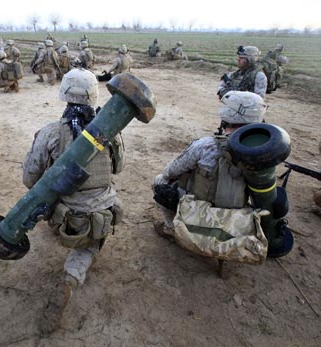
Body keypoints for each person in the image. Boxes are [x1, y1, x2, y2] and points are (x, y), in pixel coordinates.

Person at [22, 68, 125, 334]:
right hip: (100, 214)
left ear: (64, 95)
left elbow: (29, 178)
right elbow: (118, 169)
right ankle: (70, 277)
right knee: (89, 247)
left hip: (65, 217)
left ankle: (66, 257)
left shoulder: (50, 133)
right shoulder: (111, 132)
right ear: (94, 96)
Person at [152, 91, 286, 263]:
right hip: (236, 218)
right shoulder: (264, 155)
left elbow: (169, 172)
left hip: (198, 210)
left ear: (228, 115)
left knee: (159, 181)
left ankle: (171, 227)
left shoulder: (205, 146)